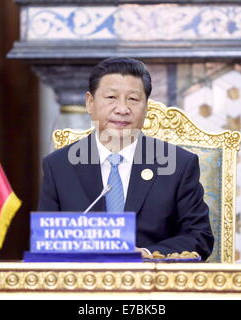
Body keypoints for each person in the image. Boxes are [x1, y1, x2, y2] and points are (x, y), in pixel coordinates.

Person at [38, 57, 214, 260]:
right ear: (90, 103)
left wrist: (149, 254)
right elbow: (46, 242)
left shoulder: (177, 165)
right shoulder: (59, 166)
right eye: (111, 97)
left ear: (146, 106)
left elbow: (199, 236)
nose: (122, 109)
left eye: (133, 99)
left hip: (153, 284)